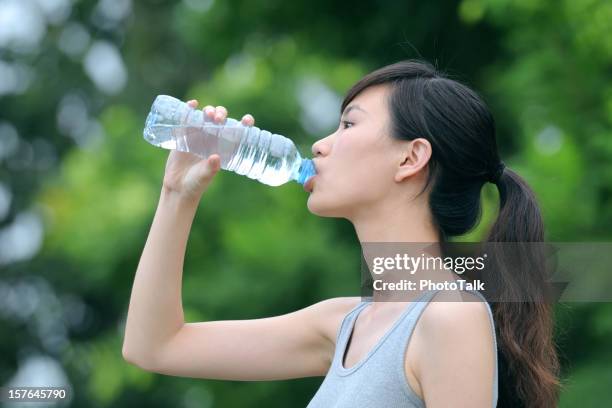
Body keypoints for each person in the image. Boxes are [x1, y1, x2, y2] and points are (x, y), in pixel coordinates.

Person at [122, 59, 560, 407]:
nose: (319, 145)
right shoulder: (342, 324)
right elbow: (155, 346)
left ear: (410, 159)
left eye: (349, 125)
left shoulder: (451, 317)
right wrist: (177, 193)